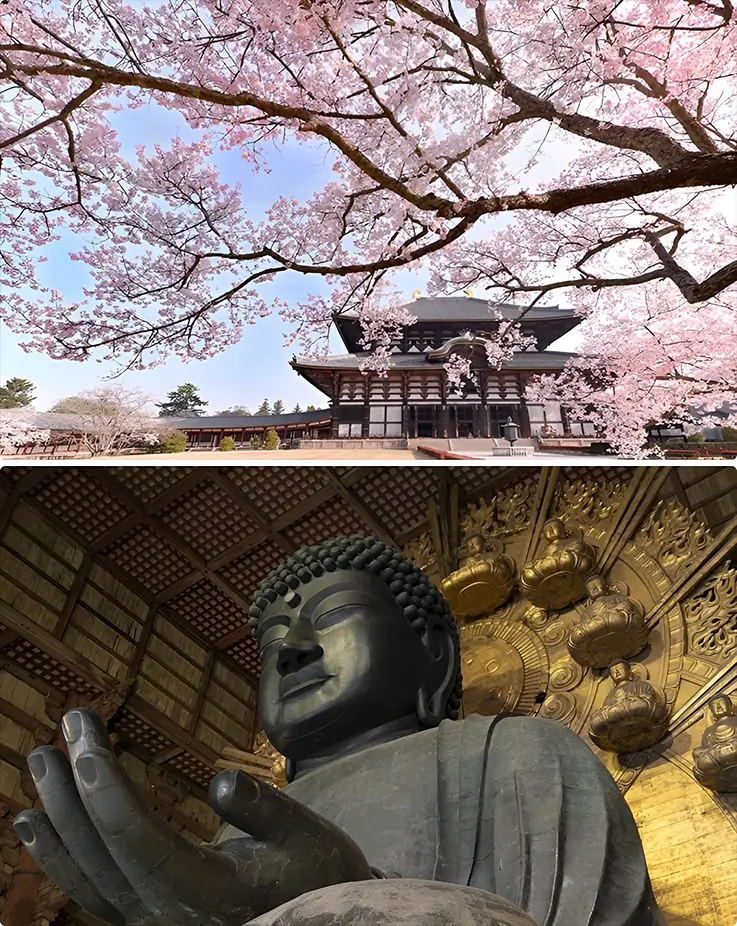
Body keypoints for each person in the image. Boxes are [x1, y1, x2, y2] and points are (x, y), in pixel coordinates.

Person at [14, 536, 664, 926]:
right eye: (271, 644)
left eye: (334, 615)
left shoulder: (520, 751)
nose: (291, 652)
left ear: (433, 653)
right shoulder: (236, 831)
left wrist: (353, 898)